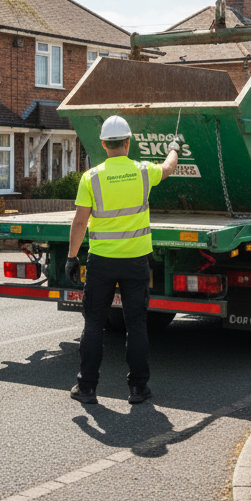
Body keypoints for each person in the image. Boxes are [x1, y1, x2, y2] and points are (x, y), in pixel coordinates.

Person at [66, 115, 180, 405]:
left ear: (104, 144)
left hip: (101, 262)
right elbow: (168, 168)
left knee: (93, 324)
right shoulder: (143, 171)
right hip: (136, 261)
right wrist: (174, 147)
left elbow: (80, 223)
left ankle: (88, 388)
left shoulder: (90, 177)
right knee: (137, 323)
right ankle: (138, 388)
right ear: (128, 143)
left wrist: (71, 257)